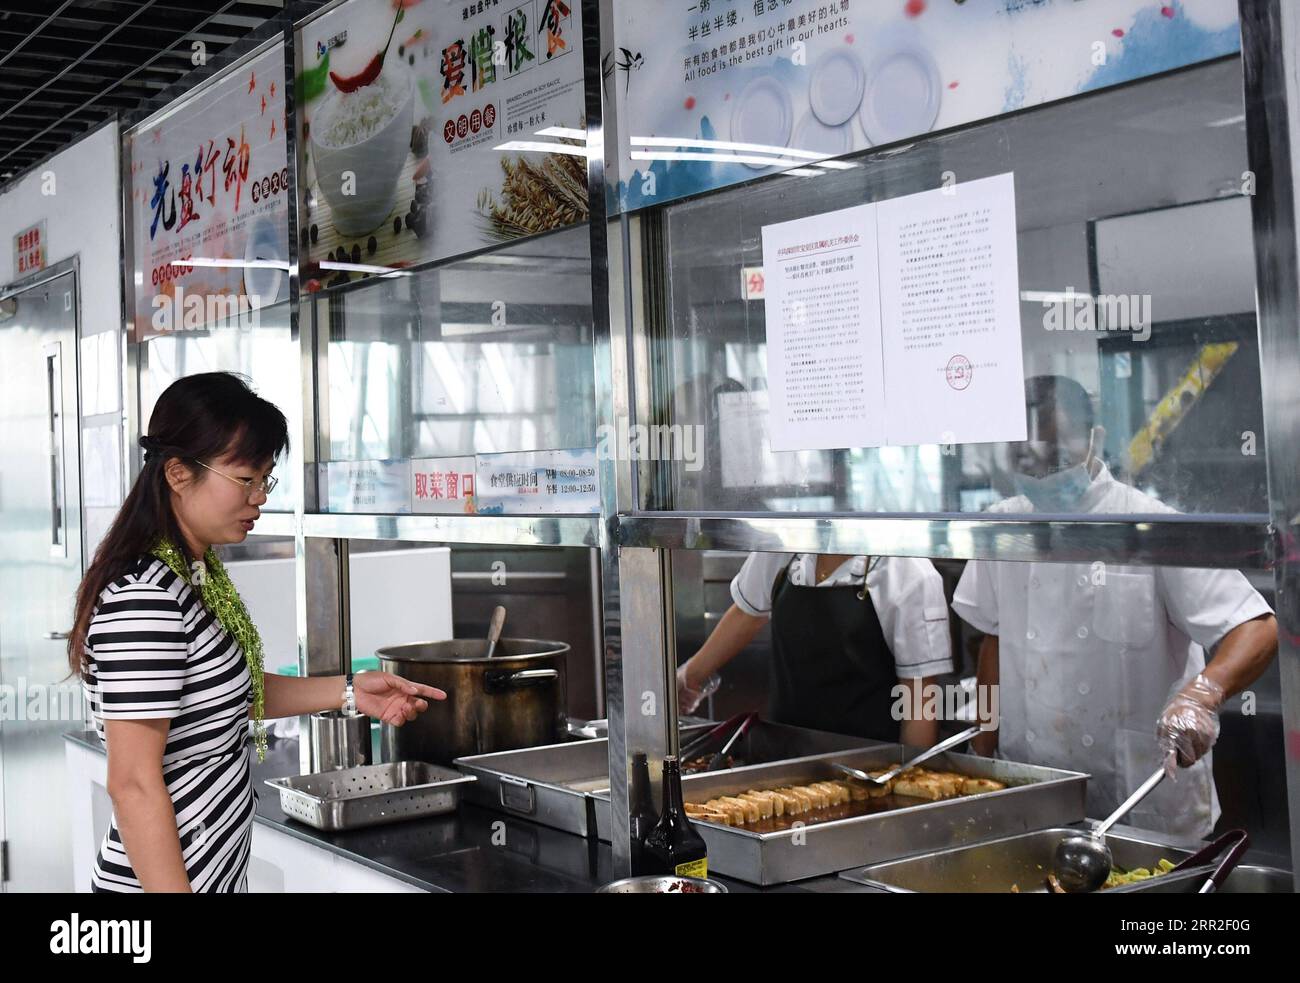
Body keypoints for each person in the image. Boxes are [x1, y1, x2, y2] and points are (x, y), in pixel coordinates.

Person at [67, 372, 445, 892]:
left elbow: (222, 697)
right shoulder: (145, 599)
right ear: (178, 473)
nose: (259, 498)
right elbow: (131, 784)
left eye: (265, 479)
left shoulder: (189, 576)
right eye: (246, 478)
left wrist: (351, 690)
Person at [952, 375, 1277, 839]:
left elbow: (1257, 627)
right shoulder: (1004, 527)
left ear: (1094, 440)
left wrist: (1202, 694)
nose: (1043, 471)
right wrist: (979, 765)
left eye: (1057, 454)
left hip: (1144, 803)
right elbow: (994, 641)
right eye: (1027, 458)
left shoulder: (1149, 527)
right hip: (1031, 792)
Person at [677, 552, 953, 746]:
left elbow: (919, 700)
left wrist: (910, 788)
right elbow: (746, 614)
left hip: (869, 771)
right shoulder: (786, 545)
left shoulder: (909, 573)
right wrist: (689, 678)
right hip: (784, 758)